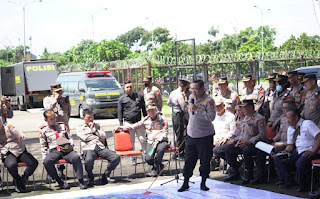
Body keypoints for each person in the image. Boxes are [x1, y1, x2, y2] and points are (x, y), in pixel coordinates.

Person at [178, 80, 216, 192]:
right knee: (189, 160)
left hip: (205, 135)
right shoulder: (191, 98)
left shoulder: (209, 101)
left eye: (196, 89)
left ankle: (203, 182)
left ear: (203, 89)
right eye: (192, 89)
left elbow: (211, 117)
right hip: (192, 135)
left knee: (205, 160)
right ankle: (185, 182)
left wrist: (197, 110)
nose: (193, 91)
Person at [114, 104, 169, 177]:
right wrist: (121, 127)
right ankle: (159, 165)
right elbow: (134, 126)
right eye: (149, 111)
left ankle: (155, 168)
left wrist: (158, 141)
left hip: (162, 141)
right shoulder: (145, 120)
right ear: (147, 112)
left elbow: (165, 132)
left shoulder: (162, 119)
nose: (151, 112)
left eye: (153, 110)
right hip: (151, 142)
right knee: (148, 159)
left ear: (156, 111)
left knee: (160, 150)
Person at [274, 108, 320, 192]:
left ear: (296, 118)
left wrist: (314, 151)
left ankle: (304, 185)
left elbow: (319, 137)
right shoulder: (291, 129)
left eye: (288, 117)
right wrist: (285, 151)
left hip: (311, 150)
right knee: (279, 157)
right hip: (298, 150)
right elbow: (290, 146)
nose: (287, 120)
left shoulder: (307, 124)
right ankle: (288, 180)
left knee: (301, 162)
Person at [39, 110, 87, 190]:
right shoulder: (43, 130)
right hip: (54, 150)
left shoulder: (62, 126)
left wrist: (71, 145)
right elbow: (43, 145)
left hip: (66, 149)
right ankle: (60, 182)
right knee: (47, 162)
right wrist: (44, 157)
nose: (54, 120)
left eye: (54, 118)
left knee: (76, 157)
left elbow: (70, 137)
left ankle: (81, 181)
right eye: (51, 119)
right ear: (46, 120)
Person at [224, 99, 266, 185]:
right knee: (228, 149)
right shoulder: (246, 118)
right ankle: (235, 171)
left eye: (244, 108)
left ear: (250, 107)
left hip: (255, 144)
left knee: (247, 151)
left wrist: (249, 141)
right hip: (243, 142)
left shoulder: (259, 118)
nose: (242, 110)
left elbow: (262, 135)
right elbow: (243, 132)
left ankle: (249, 175)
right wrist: (238, 140)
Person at [77, 108, 120, 187]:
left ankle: (106, 174)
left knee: (115, 157)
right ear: (83, 118)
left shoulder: (97, 126)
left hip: (99, 146)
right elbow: (85, 138)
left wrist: (94, 130)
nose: (91, 119)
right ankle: (90, 177)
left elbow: (104, 136)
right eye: (88, 117)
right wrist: (97, 137)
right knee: (88, 160)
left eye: (92, 117)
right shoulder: (80, 127)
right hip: (88, 147)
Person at [0, 119, 38, 193]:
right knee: (11, 165)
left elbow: (17, 132)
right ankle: (17, 180)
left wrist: (22, 135)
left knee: (33, 163)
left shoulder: (8, 127)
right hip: (7, 152)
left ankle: (23, 178)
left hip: (19, 149)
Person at [118, 80, 147, 165]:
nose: (129, 88)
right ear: (124, 88)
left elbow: (144, 109)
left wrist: (146, 121)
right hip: (128, 123)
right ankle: (132, 158)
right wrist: (121, 125)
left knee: (142, 139)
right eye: (127, 87)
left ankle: (147, 156)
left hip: (139, 122)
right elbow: (120, 112)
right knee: (131, 142)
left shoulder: (139, 96)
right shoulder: (121, 99)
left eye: (130, 87)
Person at [167, 79, 191, 158]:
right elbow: (183, 106)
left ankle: (181, 151)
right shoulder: (178, 94)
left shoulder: (174, 93)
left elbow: (168, 103)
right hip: (178, 114)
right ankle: (179, 152)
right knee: (180, 133)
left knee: (182, 133)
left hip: (179, 114)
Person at [211, 97, 235, 170]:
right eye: (216, 106)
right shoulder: (213, 116)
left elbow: (233, 131)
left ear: (223, 105)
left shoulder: (231, 116)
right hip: (215, 138)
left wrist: (225, 137)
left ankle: (232, 163)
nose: (217, 108)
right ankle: (213, 162)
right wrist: (214, 139)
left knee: (217, 150)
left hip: (226, 138)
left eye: (219, 106)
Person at [267, 75, 289, 139]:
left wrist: (276, 123)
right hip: (272, 123)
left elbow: (285, 112)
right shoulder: (275, 94)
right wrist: (270, 120)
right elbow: (273, 109)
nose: (276, 85)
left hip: (281, 124)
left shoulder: (287, 96)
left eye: (277, 83)